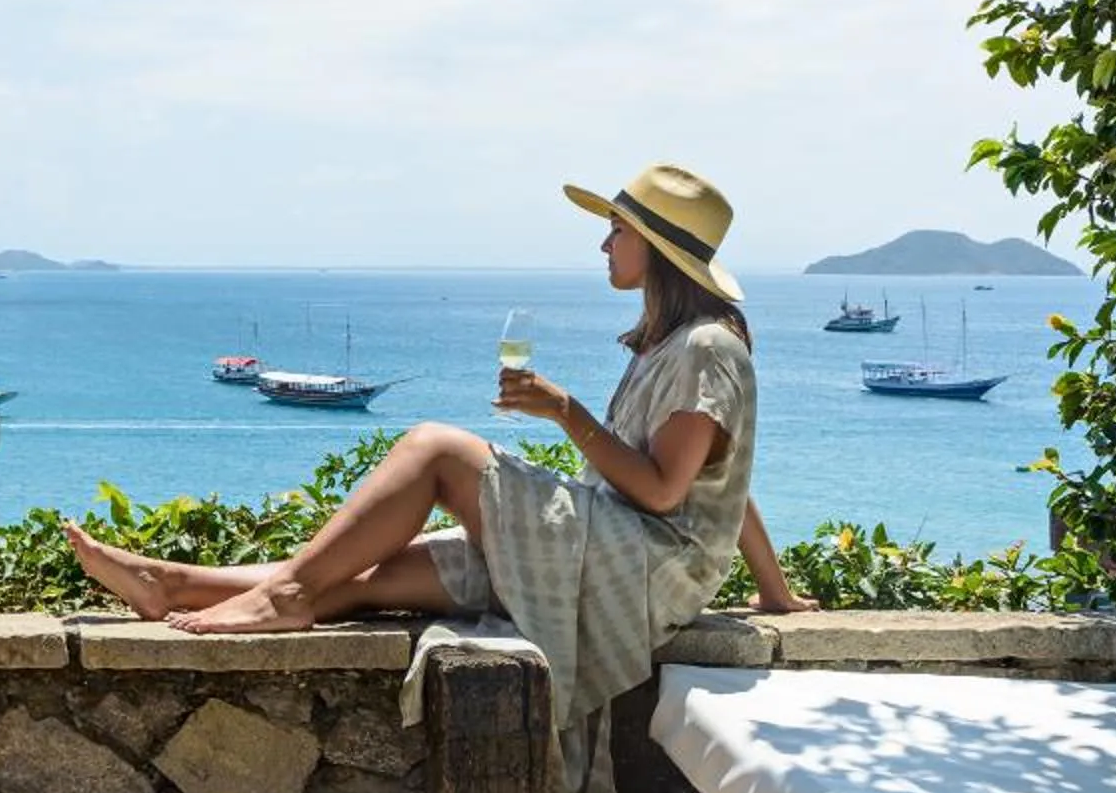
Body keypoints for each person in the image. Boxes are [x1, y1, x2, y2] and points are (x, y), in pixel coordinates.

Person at [68, 162, 813, 637]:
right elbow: (725, 489)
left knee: (435, 449)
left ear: (657, 247)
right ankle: (171, 585)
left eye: (616, 231)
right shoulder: (669, 343)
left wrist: (566, 412)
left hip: (638, 573)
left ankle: (278, 596)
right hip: (607, 555)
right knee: (363, 579)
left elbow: (664, 493)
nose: (603, 245)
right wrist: (774, 594)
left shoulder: (706, 347)